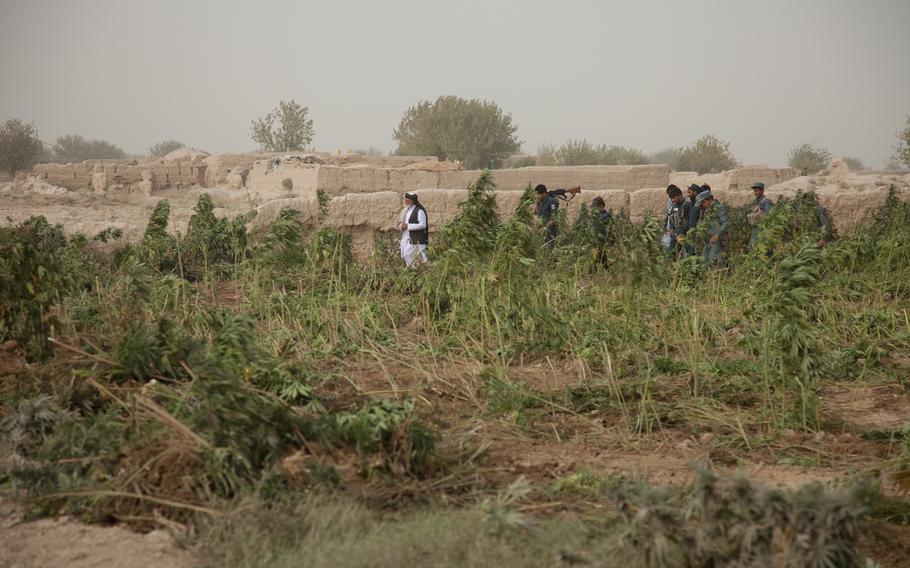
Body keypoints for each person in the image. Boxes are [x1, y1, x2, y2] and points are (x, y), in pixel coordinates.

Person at [695, 190, 729, 265]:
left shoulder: (718, 208)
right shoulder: (707, 210)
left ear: (710, 199)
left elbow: (725, 222)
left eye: (703, 203)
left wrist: (717, 235)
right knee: (703, 261)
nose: (702, 206)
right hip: (708, 240)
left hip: (717, 239)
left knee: (713, 260)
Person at [399, 192, 428, 267]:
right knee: (406, 255)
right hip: (407, 236)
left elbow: (423, 224)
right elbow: (404, 223)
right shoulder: (407, 210)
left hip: (416, 237)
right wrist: (401, 226)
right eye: (405, 200)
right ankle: (412, 271)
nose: (405, 202)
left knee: (422, 257)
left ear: (412, 201)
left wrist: (408, 226)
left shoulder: (419, 211)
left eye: (407, 200)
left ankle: (415, 271)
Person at [665, 185, 692, 257]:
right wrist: (671, 228)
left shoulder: (687, 205)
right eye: (671, 198)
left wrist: (684, 231)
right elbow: (671, 218)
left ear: (679, 195)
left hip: (685, 234)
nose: (672, 200)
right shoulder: (674, 206)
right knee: (671, 252)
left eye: (674, 198)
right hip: (675, 233)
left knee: (688, 253)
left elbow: (689, 220)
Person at [747, 182, 773, 251]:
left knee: (763, 249)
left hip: (762, 229)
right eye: (754, 191)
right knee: (752, 248)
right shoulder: (756, 201)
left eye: (757, 191)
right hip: (756, 229)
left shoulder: (766, 202)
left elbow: (770, 216)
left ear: (762, 191)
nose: (755, 193)